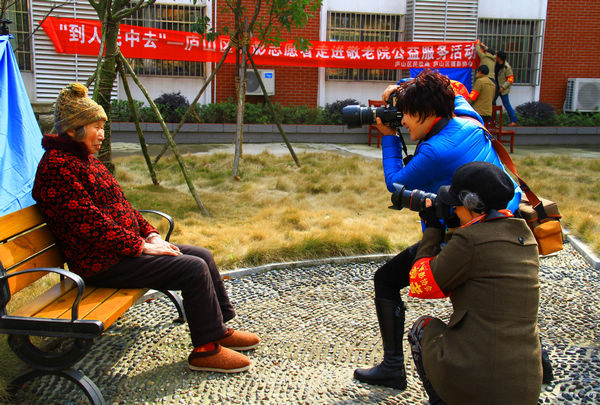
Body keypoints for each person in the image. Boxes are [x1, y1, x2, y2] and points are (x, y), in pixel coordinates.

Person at [32, 83, 260, 374]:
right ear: (74, 129)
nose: (102, 135)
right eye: (96, 127)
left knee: (201, 255)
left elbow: (123, 208)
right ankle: (205, 351)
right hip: (99, 263)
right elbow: (89, 223)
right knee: (192, 268)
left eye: (102, 127)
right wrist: (140, 246)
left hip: (118, 252)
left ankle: (218, 330)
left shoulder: (84, 161)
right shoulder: (57, 167)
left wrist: (150, 234)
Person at [353, 69, 523, 390]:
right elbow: (450, 88)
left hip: (467, 240)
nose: (403, 120)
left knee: (386, 280)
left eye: (407, 114)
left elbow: (397, 183)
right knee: (500, 303)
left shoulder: (436, 150)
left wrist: (388, 136)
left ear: (429, 112)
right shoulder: (466, 115)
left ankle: (393, 367)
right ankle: (536, 363)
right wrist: (401, 89)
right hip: (508, 226)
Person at [407, 161, 542, 404]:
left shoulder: (470, 241)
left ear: (470, 205)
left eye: (455, 204)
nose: (453, 209)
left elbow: (421, 283)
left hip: (480, 384)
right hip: (526, 384)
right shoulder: (525, 236)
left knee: (421, 329)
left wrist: (433, 228)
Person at [495, 50, 518, 126]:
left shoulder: (506, 67)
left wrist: (503, 87)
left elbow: (510, 79)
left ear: (499, 58)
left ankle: (513, 120)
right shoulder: (496, 63)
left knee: (506, 104)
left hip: (503, 89)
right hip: (496, 87)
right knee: (492, 103)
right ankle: (493, 120)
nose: (495, 57)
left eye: (497, 56)